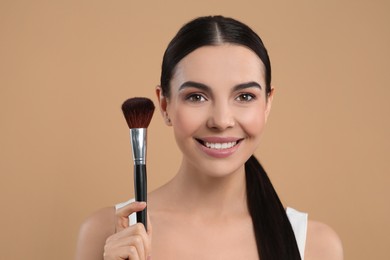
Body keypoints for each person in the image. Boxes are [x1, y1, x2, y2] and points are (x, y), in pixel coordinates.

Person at [75, 15, 343, 260]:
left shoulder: (315, 246)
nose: (221, 121)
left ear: (268, 103)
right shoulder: (107, 233)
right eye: (196, 97)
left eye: (245, 96)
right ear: (165, 105)